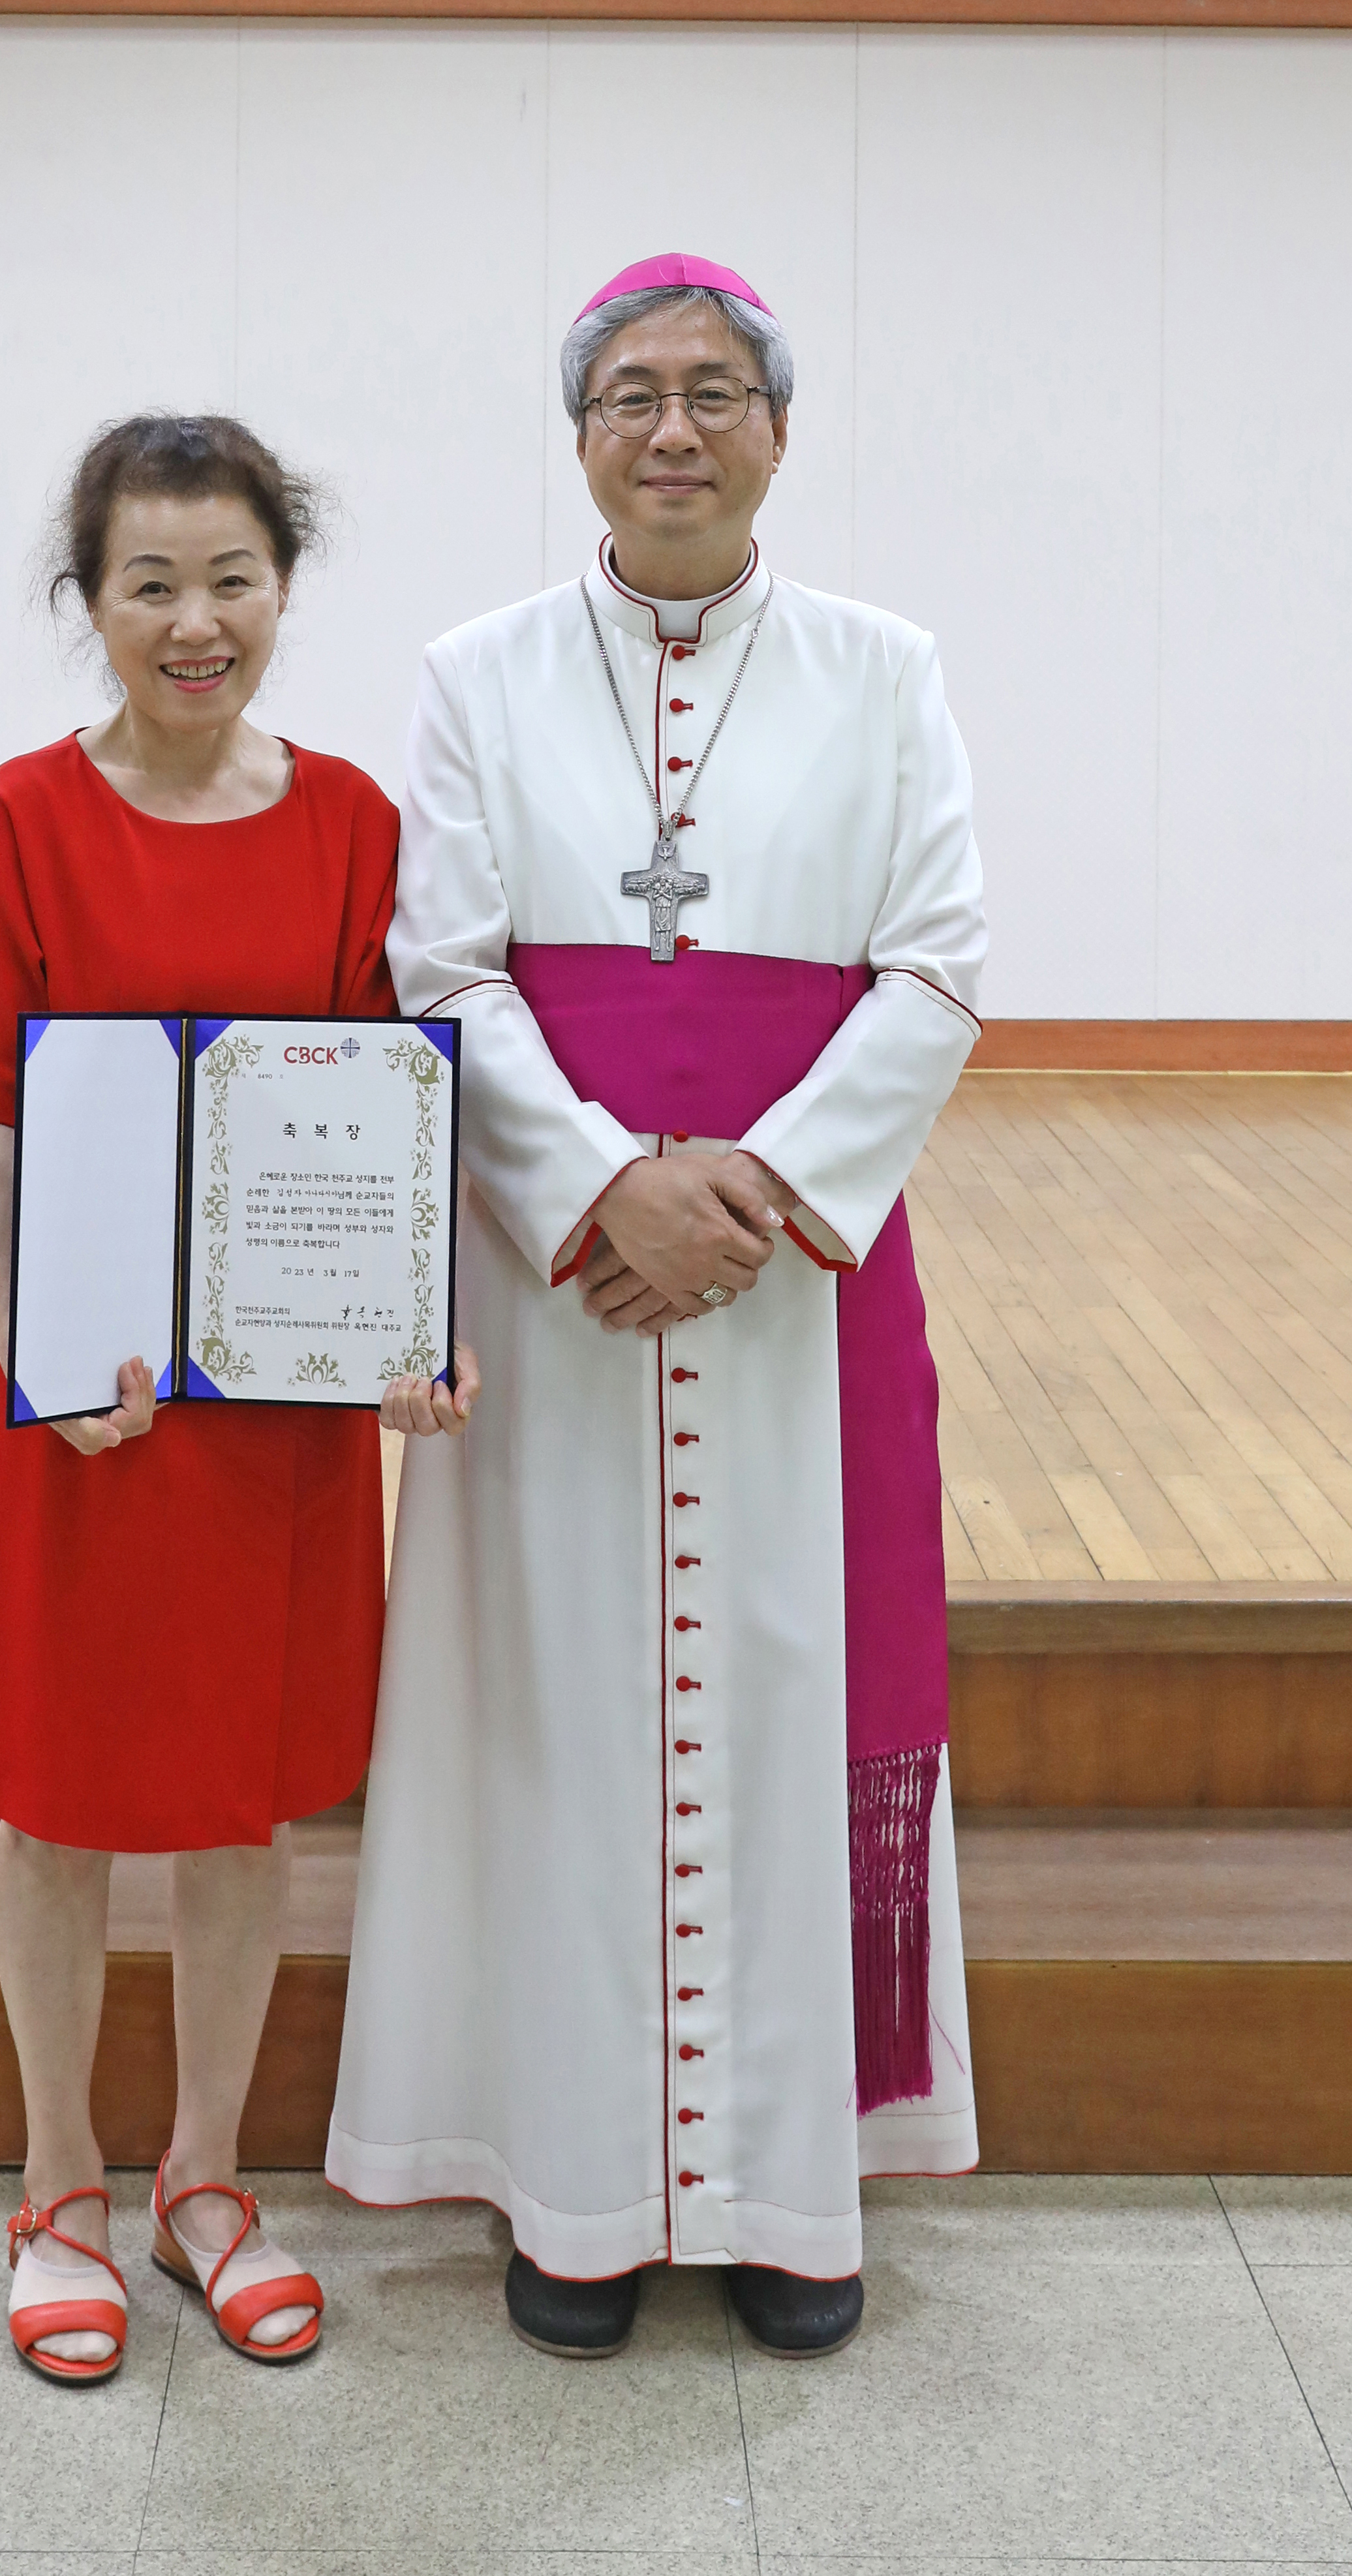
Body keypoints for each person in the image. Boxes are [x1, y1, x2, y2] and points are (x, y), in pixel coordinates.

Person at [327, 253, 986, 2359]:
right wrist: (608, 1180)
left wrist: (758, 1186)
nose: (675, 427)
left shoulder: (888, 672)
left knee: (797, 1703)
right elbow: (444, 969)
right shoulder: (479, 672)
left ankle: (799, 2202)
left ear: (781, 427)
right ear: (581, 435)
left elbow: (940, 960)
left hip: (795, 1293)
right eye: (632, 393)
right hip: (568, 1294)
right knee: (563, 1722)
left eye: (715, 391)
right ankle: (578, 2198)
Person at [0, 412, 476, 2384]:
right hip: (85, 1405)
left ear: (283, 592)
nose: (193, 619)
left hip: (277, 1414)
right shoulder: (14, 819)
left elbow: (391, 1115)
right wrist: (42, 1349)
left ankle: (209, 2179)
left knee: (243, 1816)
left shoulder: (350, 824)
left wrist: (417, 1324)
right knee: (57, 1806)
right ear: (90, 604)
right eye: (148, 581)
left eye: (229, 577)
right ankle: (61, 2185)